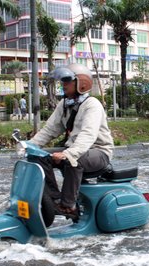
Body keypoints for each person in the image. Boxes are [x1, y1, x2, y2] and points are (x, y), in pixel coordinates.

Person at [28, 63, 114, 219]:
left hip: (99, 152)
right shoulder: (65, 104)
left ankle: (69, 206)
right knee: (38, 157)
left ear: (81, 83)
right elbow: (50, 129)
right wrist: (30, 146)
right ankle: (55, 199)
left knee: (74, 160)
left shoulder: (92, 105)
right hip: (75, 150)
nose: (63, 84)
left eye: (68, 80)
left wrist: (69, 153)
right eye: (63, 80)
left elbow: (88, 134)